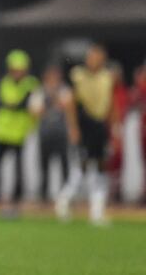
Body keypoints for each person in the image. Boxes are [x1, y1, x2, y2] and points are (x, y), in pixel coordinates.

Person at [56, 44, 114, 225]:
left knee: (101, 167)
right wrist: (73, 128)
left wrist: (114, 128)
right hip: (84, 125)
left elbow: (111, 104)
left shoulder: (108, 77)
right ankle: (64, 200)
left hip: (100, 126)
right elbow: (70, 104)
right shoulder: (77, 75)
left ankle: (97, 210)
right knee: (81, 167)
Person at [0, 50, 39, 218]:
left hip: (19, 132)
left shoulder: (31, 84)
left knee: (18, 169)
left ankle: (15, 200)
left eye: (20, 69)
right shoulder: (1, 82)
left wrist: (12, 105)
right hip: (0, 131)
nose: (17, 73)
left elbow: (25, 104)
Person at [29, 64, 75, 202]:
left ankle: (66, 194)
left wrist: (73, 129)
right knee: (44, 165)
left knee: (64, 164)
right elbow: (34, 112)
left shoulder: (65, 90)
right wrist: (51, 104)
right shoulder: (39, 91)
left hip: (61, 133)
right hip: (45, 133)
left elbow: (69, 109)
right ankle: (44, 195)